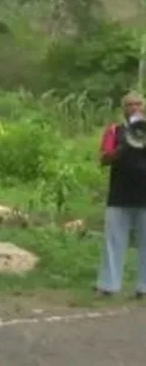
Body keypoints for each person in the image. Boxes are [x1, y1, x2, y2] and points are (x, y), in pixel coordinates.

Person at [96, 91, 146, 298]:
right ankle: (109, 285)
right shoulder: (115, 130)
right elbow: (103, 160)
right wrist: (123, 147)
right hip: (119, 194)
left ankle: (143, 288)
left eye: (138, 104)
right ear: (123, 109)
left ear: (143, 107)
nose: (134, 108)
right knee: (113, 241)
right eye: (129, 105)